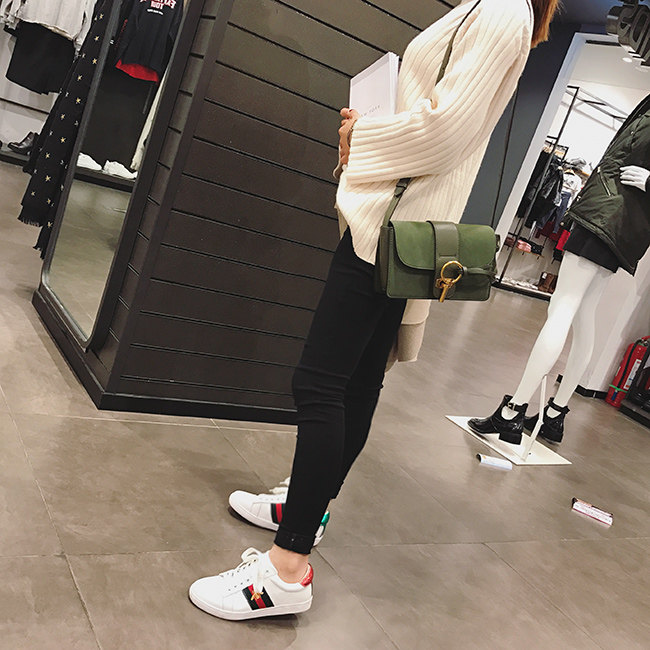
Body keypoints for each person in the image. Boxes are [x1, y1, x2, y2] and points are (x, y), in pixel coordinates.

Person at [189, 0, 560, 621]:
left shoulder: (501, 12)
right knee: (357, 382)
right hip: (399, 223)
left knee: (319, 384)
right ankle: (307, 509)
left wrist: (363, 136)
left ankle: (285, 570)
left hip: (390, 227)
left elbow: (445, 131)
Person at [469, 93, 650, 445]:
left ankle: (513, 411)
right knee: (583, 314)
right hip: (615, 221)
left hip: (607, 218)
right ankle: (555, 414)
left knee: (563, 308)